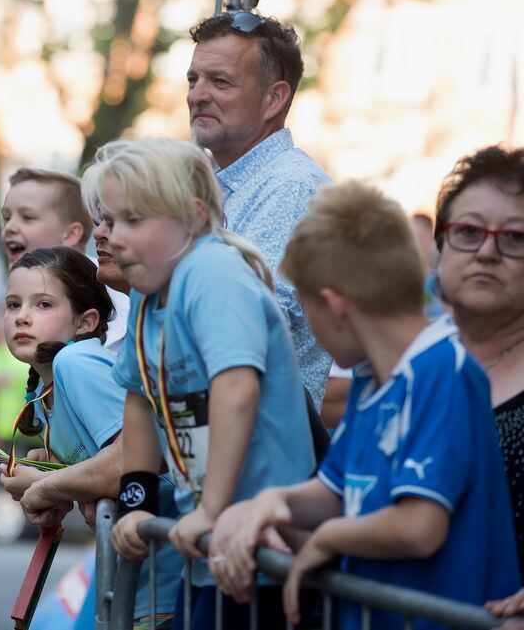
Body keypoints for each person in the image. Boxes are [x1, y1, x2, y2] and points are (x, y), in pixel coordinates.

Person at [208, 181, 521, 630]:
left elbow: (419, 526)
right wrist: (271, 503)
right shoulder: (371, 376)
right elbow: (336, 491)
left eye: (310, 316)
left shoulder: (443, 369)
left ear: (335, 308)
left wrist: (329, 539)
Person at [93, 138, 315, 629]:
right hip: (211, 545)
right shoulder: (151, 293)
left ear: (193, 217)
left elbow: (237, 390)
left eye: (133, 219)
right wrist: (137, 501)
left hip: (261, 544)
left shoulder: (211, 272)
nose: (113, 237)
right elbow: (139, 399)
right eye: (108, 221)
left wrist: (212, 510)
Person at [0, 246, 183, 630]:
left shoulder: (76, 362)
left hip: (167, 580)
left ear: (86, 322)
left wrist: (47, 486)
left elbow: (132, 460)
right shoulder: (44, 393)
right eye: (13, 305)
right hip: (135, 583)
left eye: (43, 305)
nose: (23, 317)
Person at [185, 11, 332, 405]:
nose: (197, 95)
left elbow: (247, 331)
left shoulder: (293, 187)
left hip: (255, 451)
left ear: (274, 98)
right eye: (193, 79)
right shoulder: (220, 183)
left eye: (220, 81)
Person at [407, 146, 524, 619]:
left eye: (515, 238)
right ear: (441, 249)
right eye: (469, 232)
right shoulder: (408, 366)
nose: (487, 251)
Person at [1, 167, 129, 352]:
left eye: (27, 217)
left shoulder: (105, 289)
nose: (10, 227)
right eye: (6, 218)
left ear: (70, 234)